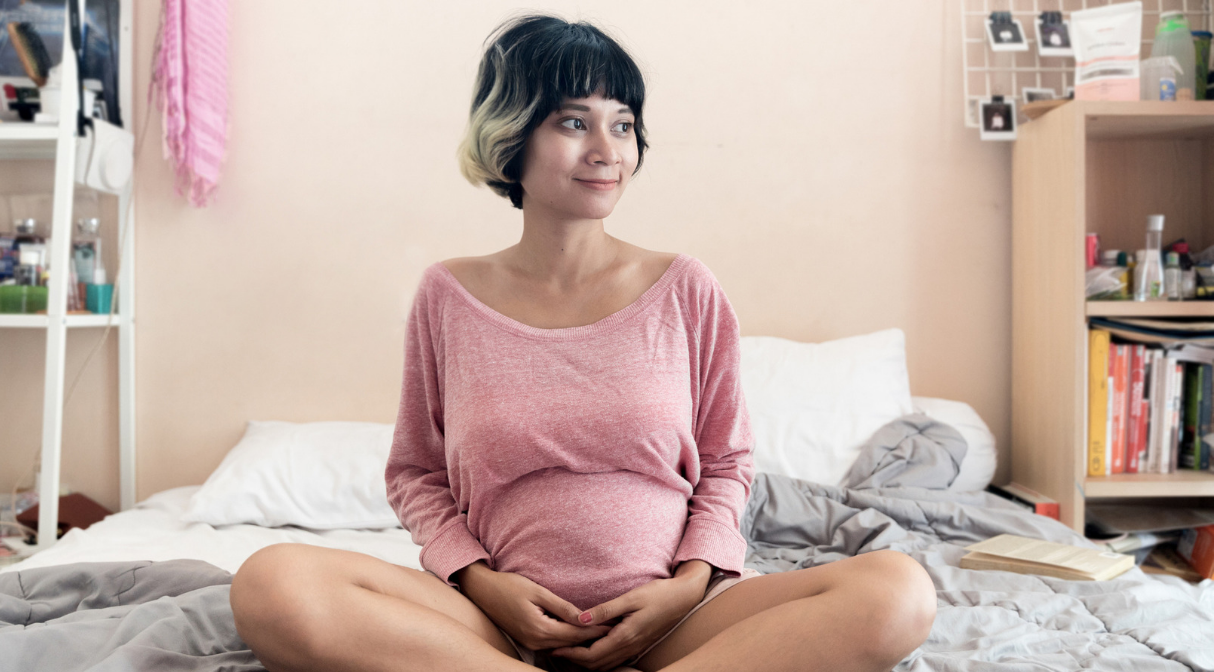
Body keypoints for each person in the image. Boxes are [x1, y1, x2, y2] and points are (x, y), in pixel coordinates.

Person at [230, 14, 937, 672]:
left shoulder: (686, 288)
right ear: (511, 135)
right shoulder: (448, 295)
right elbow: (416, 472)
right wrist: (481, 583)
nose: (608, 151)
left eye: (623, 125)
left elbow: (726, 463)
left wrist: (687, 586)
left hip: (677, 621)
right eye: (575, 122)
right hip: (491, 626)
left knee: (899, 591)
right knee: (271, 582)